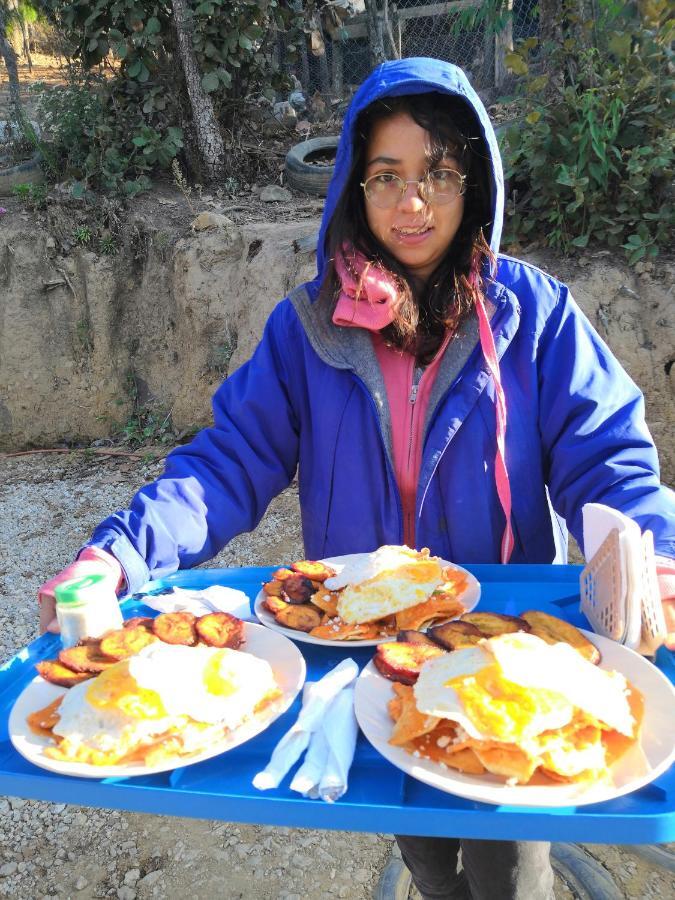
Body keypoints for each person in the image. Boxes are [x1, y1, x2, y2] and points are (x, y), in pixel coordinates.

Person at [38, 58, 674, 899]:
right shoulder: (306, 329)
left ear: (472, 184)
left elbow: (607, 458)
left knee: (509, 843)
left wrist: (653, 555)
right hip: (367, 645)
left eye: (439, 174)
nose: (412, 203)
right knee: (416, 836)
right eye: (386, 177)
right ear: (352, 187)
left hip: (503, 649)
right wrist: (114, 557)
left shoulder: (533, 317)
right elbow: (229, 460)